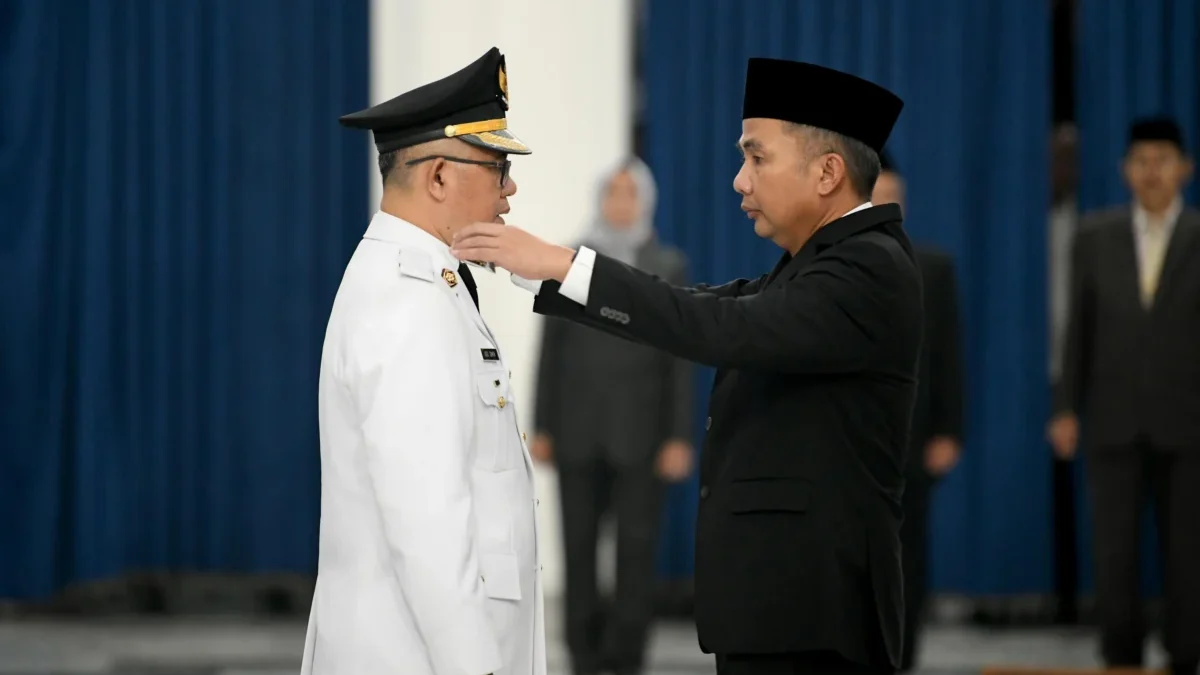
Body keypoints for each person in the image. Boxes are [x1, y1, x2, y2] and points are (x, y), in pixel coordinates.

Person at [452, 58, 919, 675]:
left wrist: (567, 264)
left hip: (813, 615)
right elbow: (702, 304)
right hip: (782, 608)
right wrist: (554, 272)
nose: (739, 181)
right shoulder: (814, 264)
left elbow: (721, 328)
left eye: (758, 158)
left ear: (828, 172)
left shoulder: (867, 268)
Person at [301, 47, 546, 675]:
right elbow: (426, 518)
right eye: (497, 168)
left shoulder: (427, 282)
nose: (510, 188)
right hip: (416, 654)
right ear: (438, 176)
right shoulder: (406, 301)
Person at [1049, 116, 1200, 675]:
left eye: (1163, 159)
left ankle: (1186, 655)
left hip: (1189, 424)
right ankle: (1121, 658)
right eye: (1141, 160)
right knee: (1114, 553)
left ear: (1185, 168)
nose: (1152, 170)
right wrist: (1066, 406)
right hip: (1112, 417)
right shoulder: (1095, 237)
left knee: (1188, 552)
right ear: (1124, 170)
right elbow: (1076, 330)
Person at [532, 157, 693, 675]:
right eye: (612, 193)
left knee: (635, 552)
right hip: (575, 430)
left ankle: (626, 658)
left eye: (629, 194)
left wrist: (678, 436)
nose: (620, 203)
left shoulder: (667, 265)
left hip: (642, 435)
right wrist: (542, 424)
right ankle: (582, 653)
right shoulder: (569, 259)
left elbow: (681, 356)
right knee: (577, 551)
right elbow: (551, 347)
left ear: (644, 201)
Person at [873, 153, 965, 672]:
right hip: (850, 438)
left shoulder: (933, 267)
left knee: (909, 554)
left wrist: (950, 429)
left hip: (912, 437)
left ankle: (902, 656)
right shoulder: (830, 263)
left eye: (895, 201)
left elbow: (949, 354)